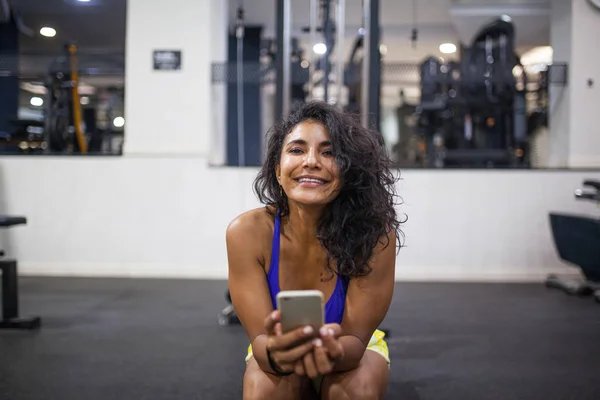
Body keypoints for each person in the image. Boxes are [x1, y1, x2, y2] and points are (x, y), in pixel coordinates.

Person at [226, 101, 403, 399]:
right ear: (278, 171)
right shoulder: (247, 233)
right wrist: (276, 353)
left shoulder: (375, 237)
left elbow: (355, 342)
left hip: (348, 349)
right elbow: (259, 339)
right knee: (262, 391)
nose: (311, 161)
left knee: (351, 392)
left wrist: (331, 352)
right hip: (278, 347)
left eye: (329, 152)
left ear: (348, 171)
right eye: (296, 150)